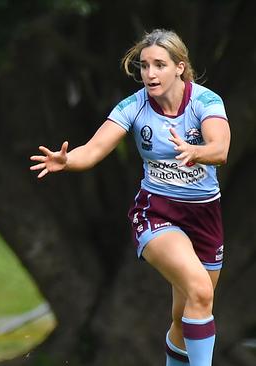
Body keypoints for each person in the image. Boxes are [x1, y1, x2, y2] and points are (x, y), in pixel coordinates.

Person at [29, 29, 230, 366]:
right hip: (158, 212)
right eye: (144, 65)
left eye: (159, 65)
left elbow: (220, 149)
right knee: (200, 290)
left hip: (205, 217)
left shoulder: (205, 102)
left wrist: (196, 152)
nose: (149, 74)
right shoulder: (134, 107)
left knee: (187, 317)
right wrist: (68, 160)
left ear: (180, 67)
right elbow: (92, 150)